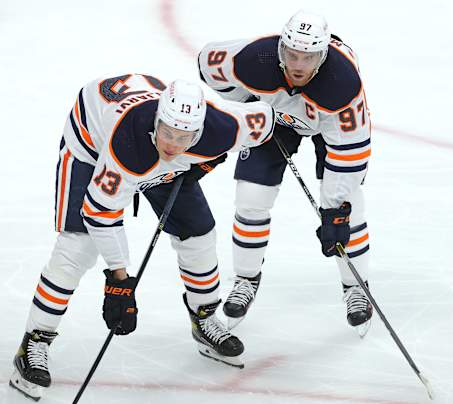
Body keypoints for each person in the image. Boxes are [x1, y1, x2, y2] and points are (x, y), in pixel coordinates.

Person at [9, 74, 275, 401]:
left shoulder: (224, 126)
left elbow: (267, 118)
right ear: (157, 120)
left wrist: (211, 158)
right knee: (77, 247)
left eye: (185, 137)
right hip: (92, 142)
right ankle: (34, 341)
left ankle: (204, 317)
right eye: (168, 132)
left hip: (151, 146)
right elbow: (100, 212)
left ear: (201, 131)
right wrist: (118, 280)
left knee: (199, 234)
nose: (173, 145)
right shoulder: (127, 143)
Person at [198, 10, 373, 333]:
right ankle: (246, 280)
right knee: (251, 196)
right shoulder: (254, 58)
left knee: (347, 206)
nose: (297, 65)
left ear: (322, 56)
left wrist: (334, 210)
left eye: (308, 57)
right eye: (291, 54)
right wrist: (250, 105)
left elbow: (351, 153)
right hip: (278, 117)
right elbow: (208, 64)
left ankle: (356, 286)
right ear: (280, 48)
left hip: (328, 126)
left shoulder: (343, 85)